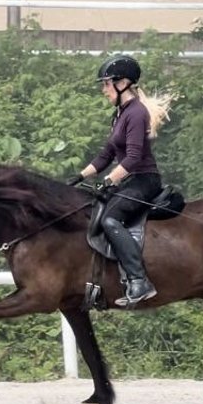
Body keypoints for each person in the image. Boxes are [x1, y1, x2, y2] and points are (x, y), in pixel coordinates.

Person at [67, 55, 172, 307]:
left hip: (143, 181)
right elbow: (107, 154)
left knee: (111, 219)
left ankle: (138, 281)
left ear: (123, 83)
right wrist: (80, 176)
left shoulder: (135, 113)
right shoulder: (120, 114)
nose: (103, 90)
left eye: (106, 84)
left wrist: (109, 180)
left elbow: (134, 157)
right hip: (129, 180)